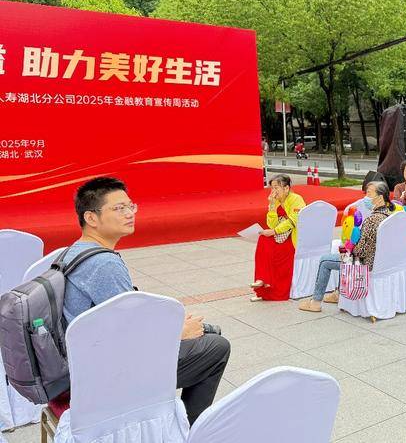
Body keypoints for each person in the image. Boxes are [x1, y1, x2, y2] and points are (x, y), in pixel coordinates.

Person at [63, 177, 230, 424]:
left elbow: (123, 318)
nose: (129, 213)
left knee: (204, 335)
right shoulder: (103, 263)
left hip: (84, 359)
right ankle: (189, 429)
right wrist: (179, 333)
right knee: (216, 347)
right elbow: (133, 335)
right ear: (91, 218)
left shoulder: (74, 251)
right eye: (119, 208)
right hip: (104, 376)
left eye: (131, 206)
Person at [297, 181, 394, 312]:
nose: (366, 197)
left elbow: (360, 252)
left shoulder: (372, 220)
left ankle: (316, 302)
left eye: (369, 193)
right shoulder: (389, 215)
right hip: (379, 260)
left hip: (363, 262)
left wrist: (348, 250)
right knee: (342, 251)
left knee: (325, 260)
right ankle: (338, 293)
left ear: (380, 197)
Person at [251, 174, 305, 302]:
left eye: (276, 187)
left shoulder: (296, 199)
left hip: (292, 237)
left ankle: (273, 288)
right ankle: (262, 280)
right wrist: (271, 205)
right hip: (280, 235)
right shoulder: (275, 201)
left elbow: (293, 221)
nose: (273, 191)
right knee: (263, 239)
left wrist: (274, 232)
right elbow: (272, 224)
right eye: (272, 188)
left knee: (277, 251)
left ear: (286, 188)